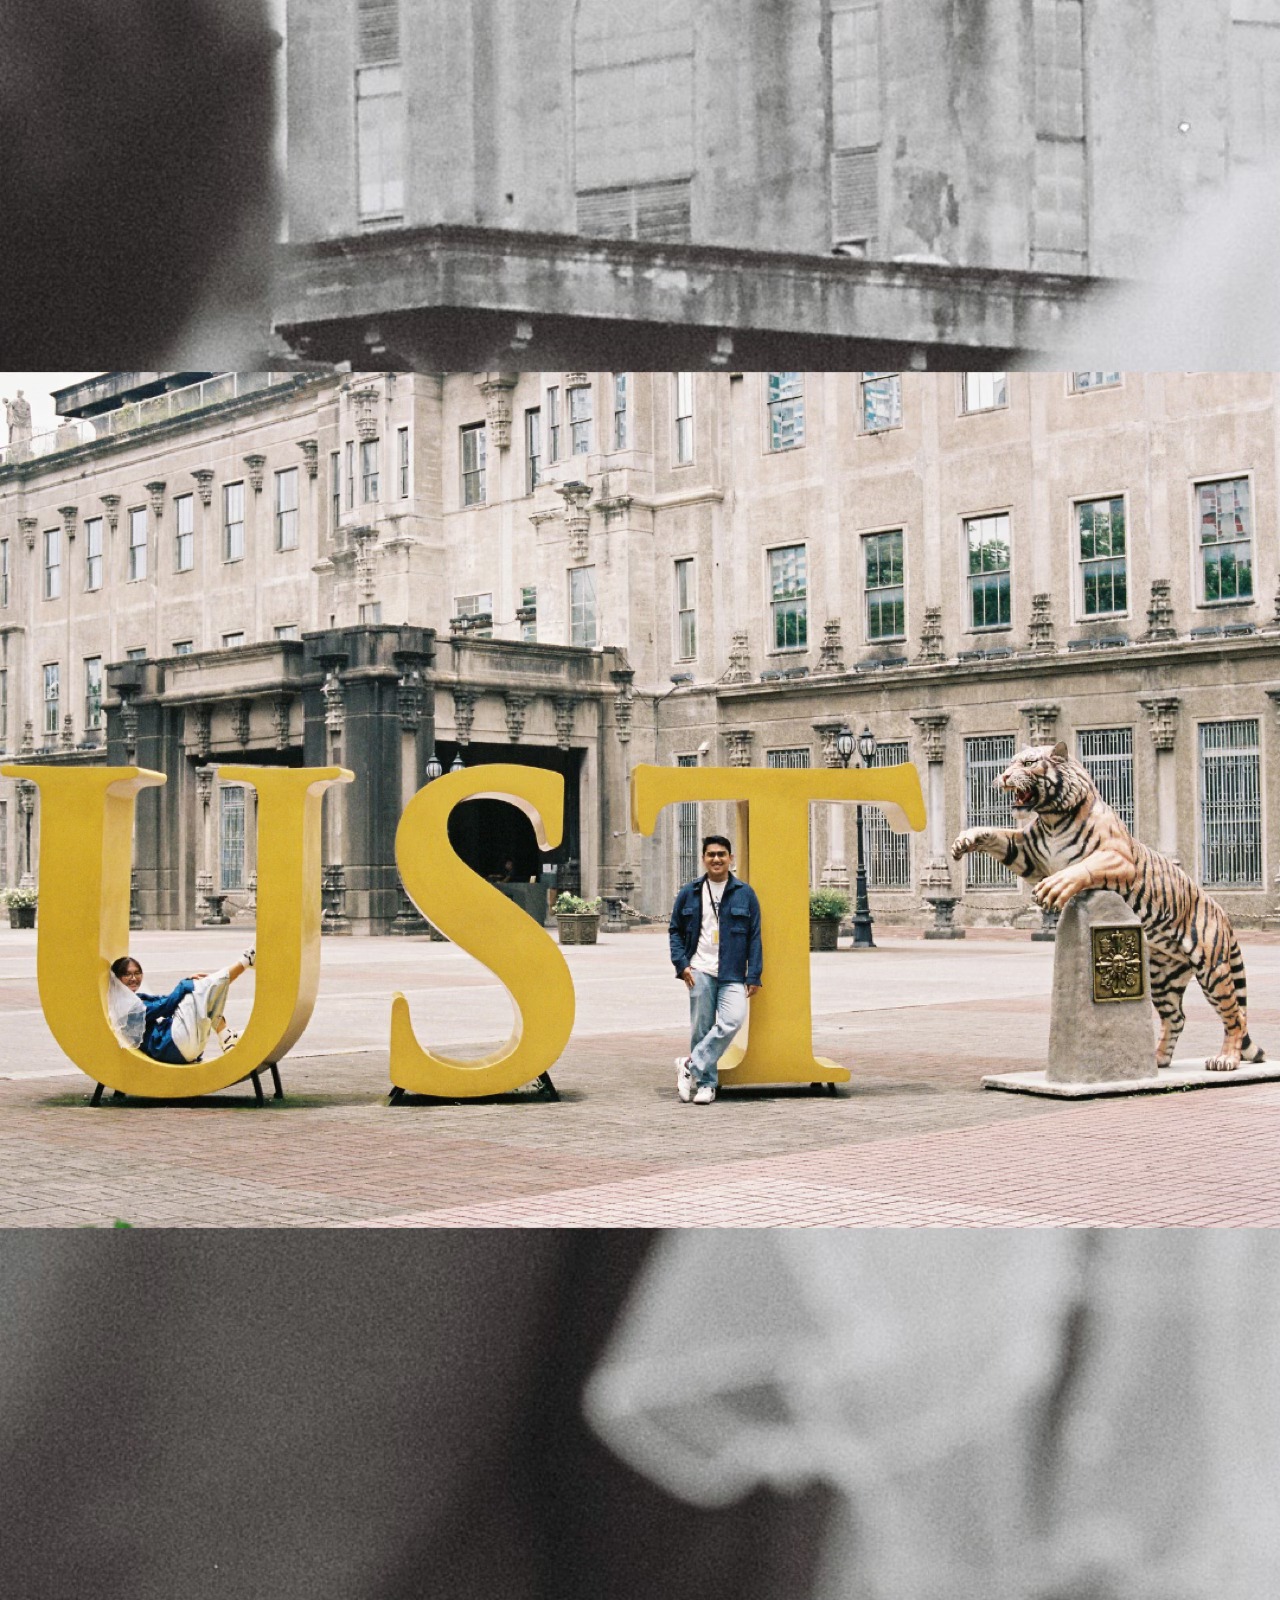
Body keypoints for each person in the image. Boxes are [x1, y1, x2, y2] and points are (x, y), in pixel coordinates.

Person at [668, 835, 762, 1105]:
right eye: (711, 854)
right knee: (701, 1028)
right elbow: (674, 929)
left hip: (732, 972)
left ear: (731, 858)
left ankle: (689, 1065)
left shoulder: (745, 892)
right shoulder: (691, 891)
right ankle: (707, 1084)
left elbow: (755, 935)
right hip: (699, 969)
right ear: (703, 859)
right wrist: (682, 964)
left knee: (733, 1019)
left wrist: (753, 974)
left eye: (722, 854)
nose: (717, 859)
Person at [107, 948, 255, 1062]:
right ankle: (246, 960)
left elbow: (165, 1001)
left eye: (137, 973)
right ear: (117, 979)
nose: (134, 978)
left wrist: (185, 984)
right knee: (197, 990)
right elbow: (164, 1007)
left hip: (179, 1046)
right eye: (127, 975)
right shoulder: (124, 1006)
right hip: (170, 1046)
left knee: (197, 994)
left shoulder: (133, 999)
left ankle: (226, 1036)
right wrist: (184, 985)